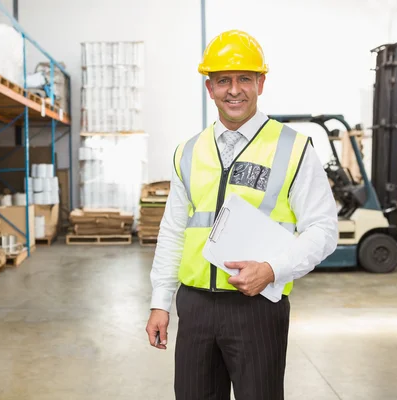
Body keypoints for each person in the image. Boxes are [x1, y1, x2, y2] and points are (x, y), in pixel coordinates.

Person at [145, 30, 339, 400]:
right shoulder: (188, 152)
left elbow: (323, 229)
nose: (234, 90)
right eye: (223, 81)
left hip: (257, 308)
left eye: (244, 79)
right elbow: (173, 230)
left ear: (261, 83)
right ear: (210, 88)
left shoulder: (293, 148)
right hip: (196, 306)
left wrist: (272, 270)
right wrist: (160, 302)